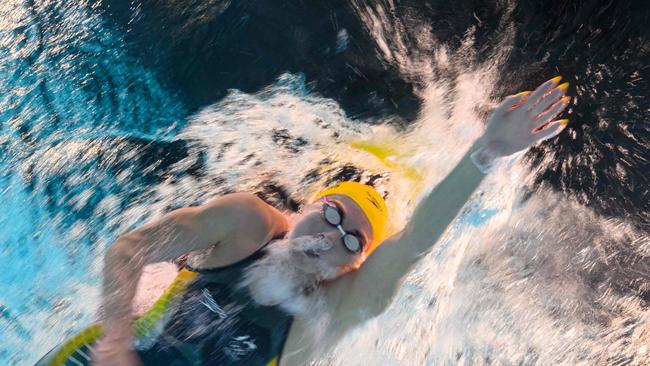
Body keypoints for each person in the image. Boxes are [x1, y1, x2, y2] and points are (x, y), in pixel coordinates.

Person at [67, 77, 569, 366]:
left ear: (354, 266)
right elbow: (128, 249)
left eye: (353, 241)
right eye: (332, 214)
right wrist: (114, 338)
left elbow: (414, 241)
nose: (332, 237)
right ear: (305, 206)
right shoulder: (246, 222)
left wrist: (487, 154)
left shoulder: (332, 313)